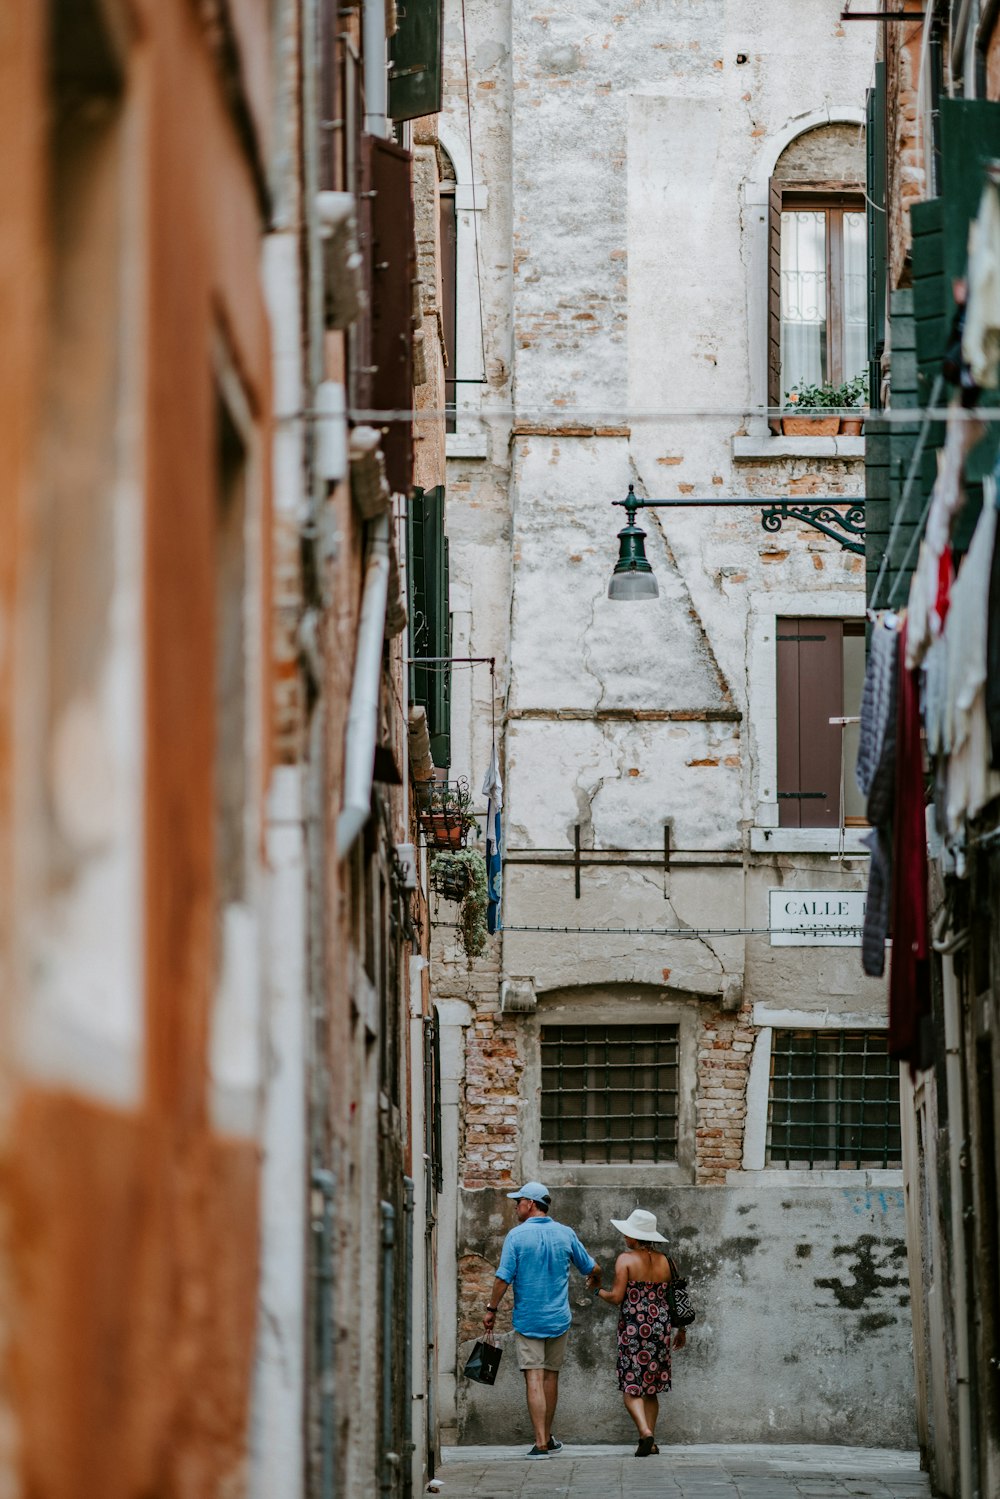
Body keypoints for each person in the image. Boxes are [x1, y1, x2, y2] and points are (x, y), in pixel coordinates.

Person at [482, 1181, 601, 1460]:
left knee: (533, 1377)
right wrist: (595, 1281)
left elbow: (503, 1277)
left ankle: (540, 1442)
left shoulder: (516, 1236)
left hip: (528, 1319)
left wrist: (491, 1309)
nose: (515, 1206)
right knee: (551, 1376)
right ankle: (547, 1437)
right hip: (558, 1318)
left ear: (531, 1204)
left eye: (518, 1201)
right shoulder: (566, 1233)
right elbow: (592, 1267)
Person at [597, 1207, 686, 1457]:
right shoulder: (668, 1262)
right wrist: (682, 1330)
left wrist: (596, 1290)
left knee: (631, 1386)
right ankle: (651, 1441)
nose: (625, 1238)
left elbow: (616, 1297)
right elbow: (676, 1298)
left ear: (635, 1237)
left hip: (634, 1329)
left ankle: (645, 1432)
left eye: (628, 1234)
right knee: (651, 1388)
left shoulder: (625, 1259)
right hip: (660, 1329)